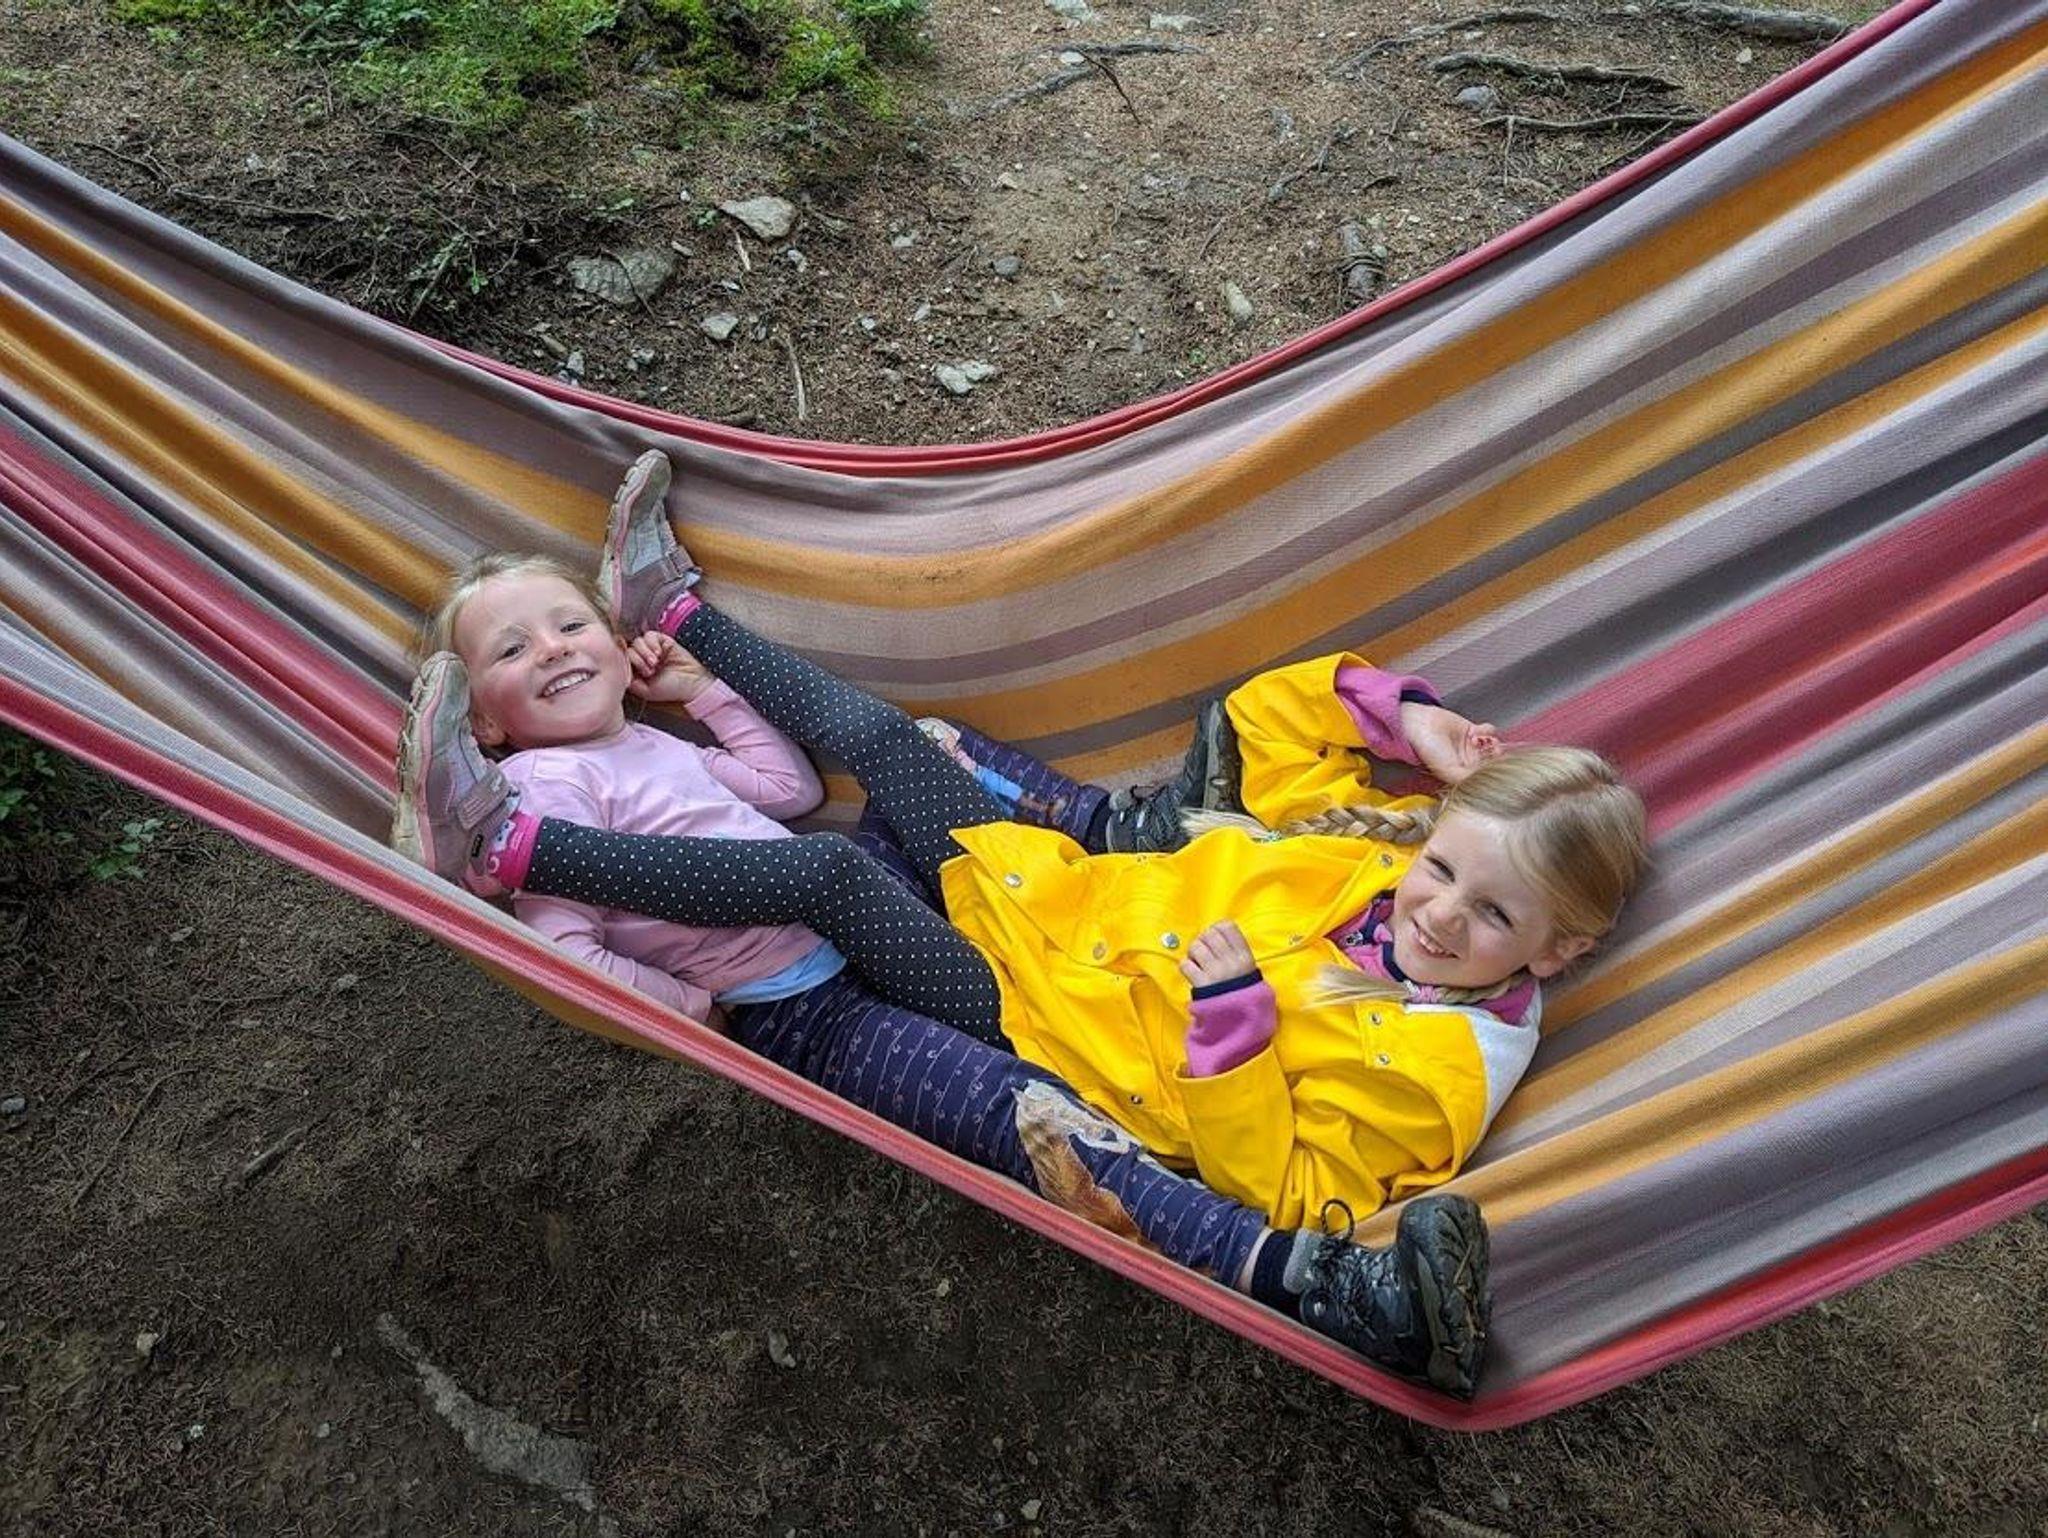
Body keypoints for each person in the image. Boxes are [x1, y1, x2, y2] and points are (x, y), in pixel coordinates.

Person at [390, 457, 1498, 1397]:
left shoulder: (651, 742)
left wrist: (700, 685)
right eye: (511, 651)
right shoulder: (533, 785)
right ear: (483, 722)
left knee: (905, 745)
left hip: (885, 923)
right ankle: (1333, 1290)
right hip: (815, 1015)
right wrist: (692, 1008)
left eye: (571, 623)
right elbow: (569, 956)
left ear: (613, 638)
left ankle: (679, 608)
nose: (552, 649)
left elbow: (786, 788)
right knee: (1033, 1119)